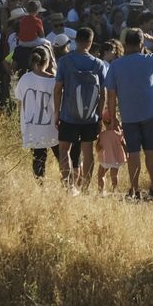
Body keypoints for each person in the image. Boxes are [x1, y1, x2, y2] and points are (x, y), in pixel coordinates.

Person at [106, 28, 153, 200]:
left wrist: (113, 114)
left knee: (133, 152)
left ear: (124, 44)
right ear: (141, 43)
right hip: (151, 111)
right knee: (151, 150)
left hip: (129, 113)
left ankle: (134, 189)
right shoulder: (150, 59)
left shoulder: (115, 65)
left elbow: (111, 93)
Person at [54, 28, 106, 192]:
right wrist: (99, 115)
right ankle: (84, 188)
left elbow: (57, 89)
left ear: (76, 41)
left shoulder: (65, 61)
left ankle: (68, 186)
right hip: (90, 117)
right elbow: (103, 93)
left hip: (68, 115)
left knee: (64, 150)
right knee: (87, 151)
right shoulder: (98, 64)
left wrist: (57, 112)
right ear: (90, 43)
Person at [13, 47, 60, 179]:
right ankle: (68, 183)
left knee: (38, 158)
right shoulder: (54, 81)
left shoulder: (24, 79)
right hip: (52, 126)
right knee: (61, 156)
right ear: (48, 60)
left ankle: (39, 186)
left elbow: (20, 103)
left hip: (32, 125)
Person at [97, 108, 125, 195]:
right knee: (114, 175)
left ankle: (101, 191)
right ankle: (114, 190)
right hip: (116, 159)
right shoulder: (119, 134)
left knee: (100, 175)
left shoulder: (102, 135)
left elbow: (98, 147)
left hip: (105, 159)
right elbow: (124, 144)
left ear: (104, 122)